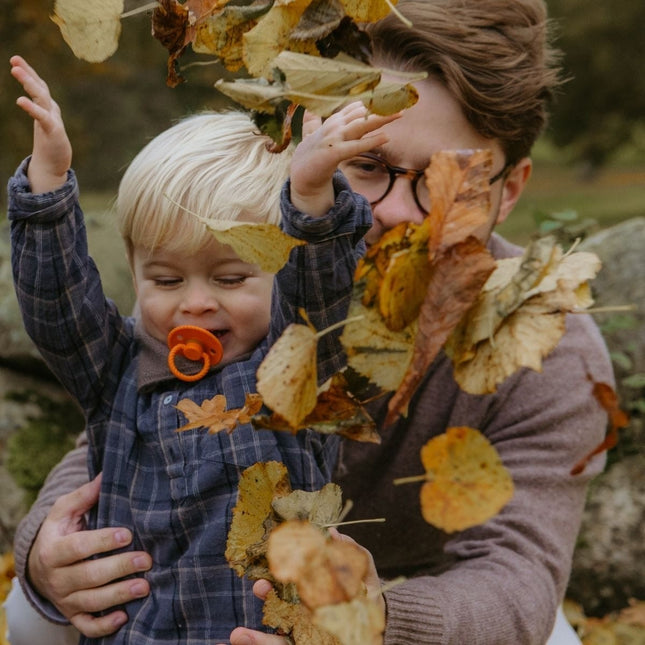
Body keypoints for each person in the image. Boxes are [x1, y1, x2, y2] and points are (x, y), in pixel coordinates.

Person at [7, 0, 614, 643]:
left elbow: (517, 574)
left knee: (550, 638)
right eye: (370, 166)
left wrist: (376, 621)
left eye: (443, 183)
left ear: (509, 189)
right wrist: (46, 546)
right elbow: (129, 417)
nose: (397, 215)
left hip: (409, 604)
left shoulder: (550, 345)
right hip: (200, 582)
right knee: (34, 607)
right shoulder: (241, 284)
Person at [5, 55, 397, 644]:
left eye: (230, 279)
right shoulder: (116, 370)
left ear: (277, 272)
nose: (194, 304)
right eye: (165, 280)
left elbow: (324, 300)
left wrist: (311, 200)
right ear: (136, 273)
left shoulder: (292, 374)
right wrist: (48, 189)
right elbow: (58, 306)